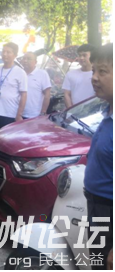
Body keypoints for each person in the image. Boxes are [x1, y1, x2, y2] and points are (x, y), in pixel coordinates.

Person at [85, 43, 113, 270]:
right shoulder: (108, 111)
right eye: (93, 70)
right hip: (97, 208)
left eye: (102, 71)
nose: (94, 77)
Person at [0, 42, 27, 135]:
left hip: (10, 114)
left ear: (15, 55)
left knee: (6, 141)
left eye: (8, 52)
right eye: (3, 51)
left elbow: (24, 94)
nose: (5, 54)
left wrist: (19, 114)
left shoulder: (20, 72)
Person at [63, 44, 96, 108]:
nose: (81, 58)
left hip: (94, 111)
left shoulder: (97, 75)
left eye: (84, 55)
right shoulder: (70, 74)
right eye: (79, 55)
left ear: (92, 56)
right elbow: (67, 94)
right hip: (75, 111)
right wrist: (71, 110)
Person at [20, 52, 51, 119]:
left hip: (34, 115)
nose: (25, 61)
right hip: (17, 114)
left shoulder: (42, 74)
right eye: (24, 58)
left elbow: (47, 95)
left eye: (29, 59)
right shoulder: (19, 73)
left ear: (35, 62)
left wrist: (43, 112)